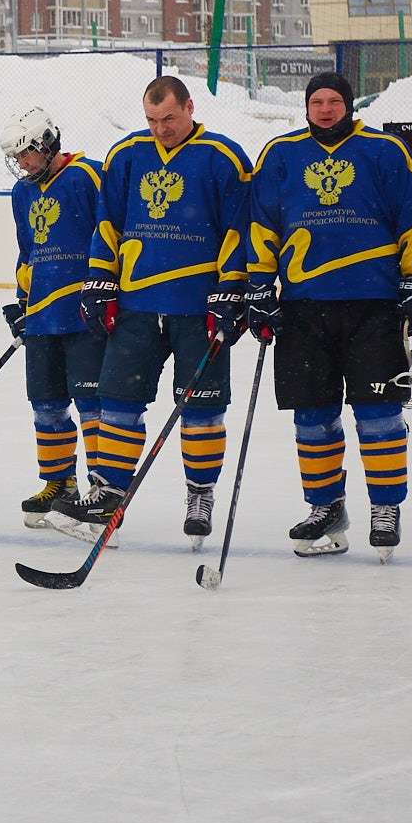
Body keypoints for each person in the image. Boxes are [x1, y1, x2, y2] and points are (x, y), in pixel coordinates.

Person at [245, 69, 412, 558]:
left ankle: (385, 506)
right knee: (313, 417)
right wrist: (257, 287)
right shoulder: (281, 155)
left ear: (350, 106)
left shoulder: (384, 151)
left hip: (373, 307)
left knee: (378, 414)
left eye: (335, 101)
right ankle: (325, 505)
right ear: (306, 108)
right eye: (317, 102)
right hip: (302, 309)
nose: (326, 109)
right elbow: (261, 224)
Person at [66, 75, 253, 540]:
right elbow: (107, 222)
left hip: (198, 308)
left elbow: (238, 231)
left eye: (168, 118)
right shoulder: (127, 154)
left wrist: (233, 290)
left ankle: (200, 490)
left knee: (203, 409)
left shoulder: (224, 158)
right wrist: (100, 279)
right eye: (151, 120)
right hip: (137, 306)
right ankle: (109, 493)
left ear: (189, 107)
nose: (160, 129)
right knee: (118, 403)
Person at [0, 108, 108, 530]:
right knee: (46, 406)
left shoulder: (89, 176)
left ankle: (101, 490)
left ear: (46, 143)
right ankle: (61, 484)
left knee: (92, 406)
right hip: (43, 317)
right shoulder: (21, 193)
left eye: (26, 154)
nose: (22, 164)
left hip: (84, 314)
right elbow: (28, 251)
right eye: (17, 158)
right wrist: (22, 301)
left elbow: (111, 235)